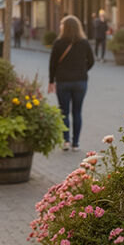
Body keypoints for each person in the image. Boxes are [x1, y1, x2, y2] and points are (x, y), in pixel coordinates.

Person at [48, 14, 94, 151]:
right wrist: (82, 70)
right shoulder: (84, 43)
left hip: (63, 81)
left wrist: (51, 81)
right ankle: (76, 144)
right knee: (77, 112)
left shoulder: (58, 43)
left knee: (64, 112)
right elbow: (91, 61)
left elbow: (53, 64)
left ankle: (66, 141)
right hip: (80, 82)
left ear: (64, 28)